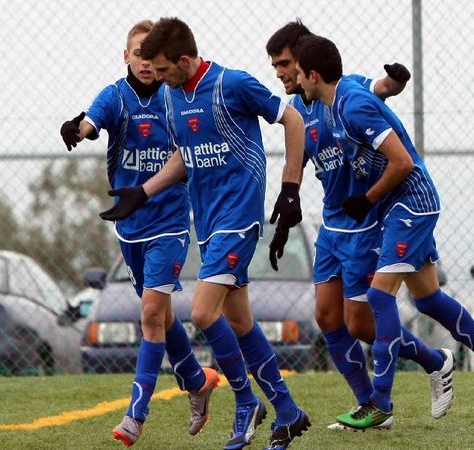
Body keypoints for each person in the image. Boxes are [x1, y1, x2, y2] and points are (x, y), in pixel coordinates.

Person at [99, 17, 310, 450]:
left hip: (240, 217)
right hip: (208, 222)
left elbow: (292, 121)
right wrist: (142, 191)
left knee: (201, 312)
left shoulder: (233, 84)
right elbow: (184, 155)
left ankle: (246, 401)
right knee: (239, 320)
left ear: (183, 59)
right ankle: (287, 412)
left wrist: (290, 189)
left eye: (161, 69)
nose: (155, 78)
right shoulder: (174, 96)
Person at [293, 34, 474, 429]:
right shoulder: (334, 101)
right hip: (395, 206)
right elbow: (380, 88)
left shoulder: (353, 104)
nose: (291, 78)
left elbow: (402, 164)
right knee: (428, 299)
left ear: (312, 74)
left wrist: (366, 200)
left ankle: (381, 403)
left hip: (409, 203)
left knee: (379, 296)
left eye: (294, 71)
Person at [265, 20, 455, 429]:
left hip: (366, 222)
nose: (279, 73)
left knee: (360, 323)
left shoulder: (344, 92)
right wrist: (288, 200)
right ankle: (369, 404)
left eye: (283, 64)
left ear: (305, 64)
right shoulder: (297, 110)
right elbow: (293, 158)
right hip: (333, 226)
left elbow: (380, 89)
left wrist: (395, 80)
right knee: (327, 318)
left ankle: (435, 362)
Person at [59, 20, 220, 447]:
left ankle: (135, 415)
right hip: (129, 227)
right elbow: (91, 123)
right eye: (138, 54)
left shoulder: (174, 98)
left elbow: (188, 153)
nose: (146, 63)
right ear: (126, 57)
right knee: (161, 315)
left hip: (169, 221)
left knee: (150, 314)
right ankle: (195, 380)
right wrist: (77, 129)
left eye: (152, 56)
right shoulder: (115, 96)